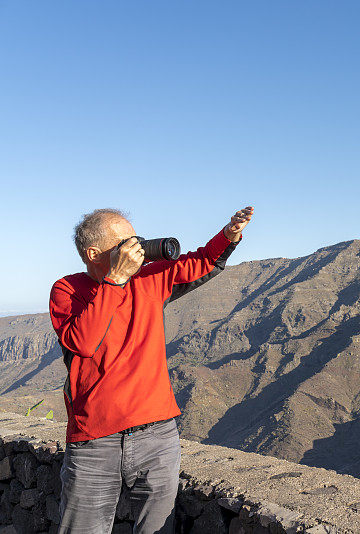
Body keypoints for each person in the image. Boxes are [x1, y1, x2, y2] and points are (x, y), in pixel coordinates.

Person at [48, 206, 254, 533]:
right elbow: (83, 343)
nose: (136, 248)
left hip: (156, 435)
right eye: (125, 242)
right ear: (93, 253)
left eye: (136, 239)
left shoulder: (149, 277)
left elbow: (201, 262)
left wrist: (229, 236)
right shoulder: (68, 290)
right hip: (94, 441)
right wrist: (115, 280)